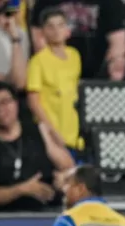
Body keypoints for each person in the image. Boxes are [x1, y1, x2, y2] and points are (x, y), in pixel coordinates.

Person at [0, 81, 74, 212]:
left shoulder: (38, 131)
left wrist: (63, 179)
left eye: (5, 102)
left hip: (47, 211)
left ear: (16, 103)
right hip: (6, 217)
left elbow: (68, 166)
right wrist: (22, 190)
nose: (0, 109)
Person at [27, 7, 81, 153]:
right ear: (43, 31)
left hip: (74, 132)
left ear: (67, 30)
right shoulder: (37, 61)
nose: (56, 30)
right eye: (50, 26)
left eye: (60, 25)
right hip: (52, 133)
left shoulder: (75, 56)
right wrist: (51, 131)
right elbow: (33, 102)